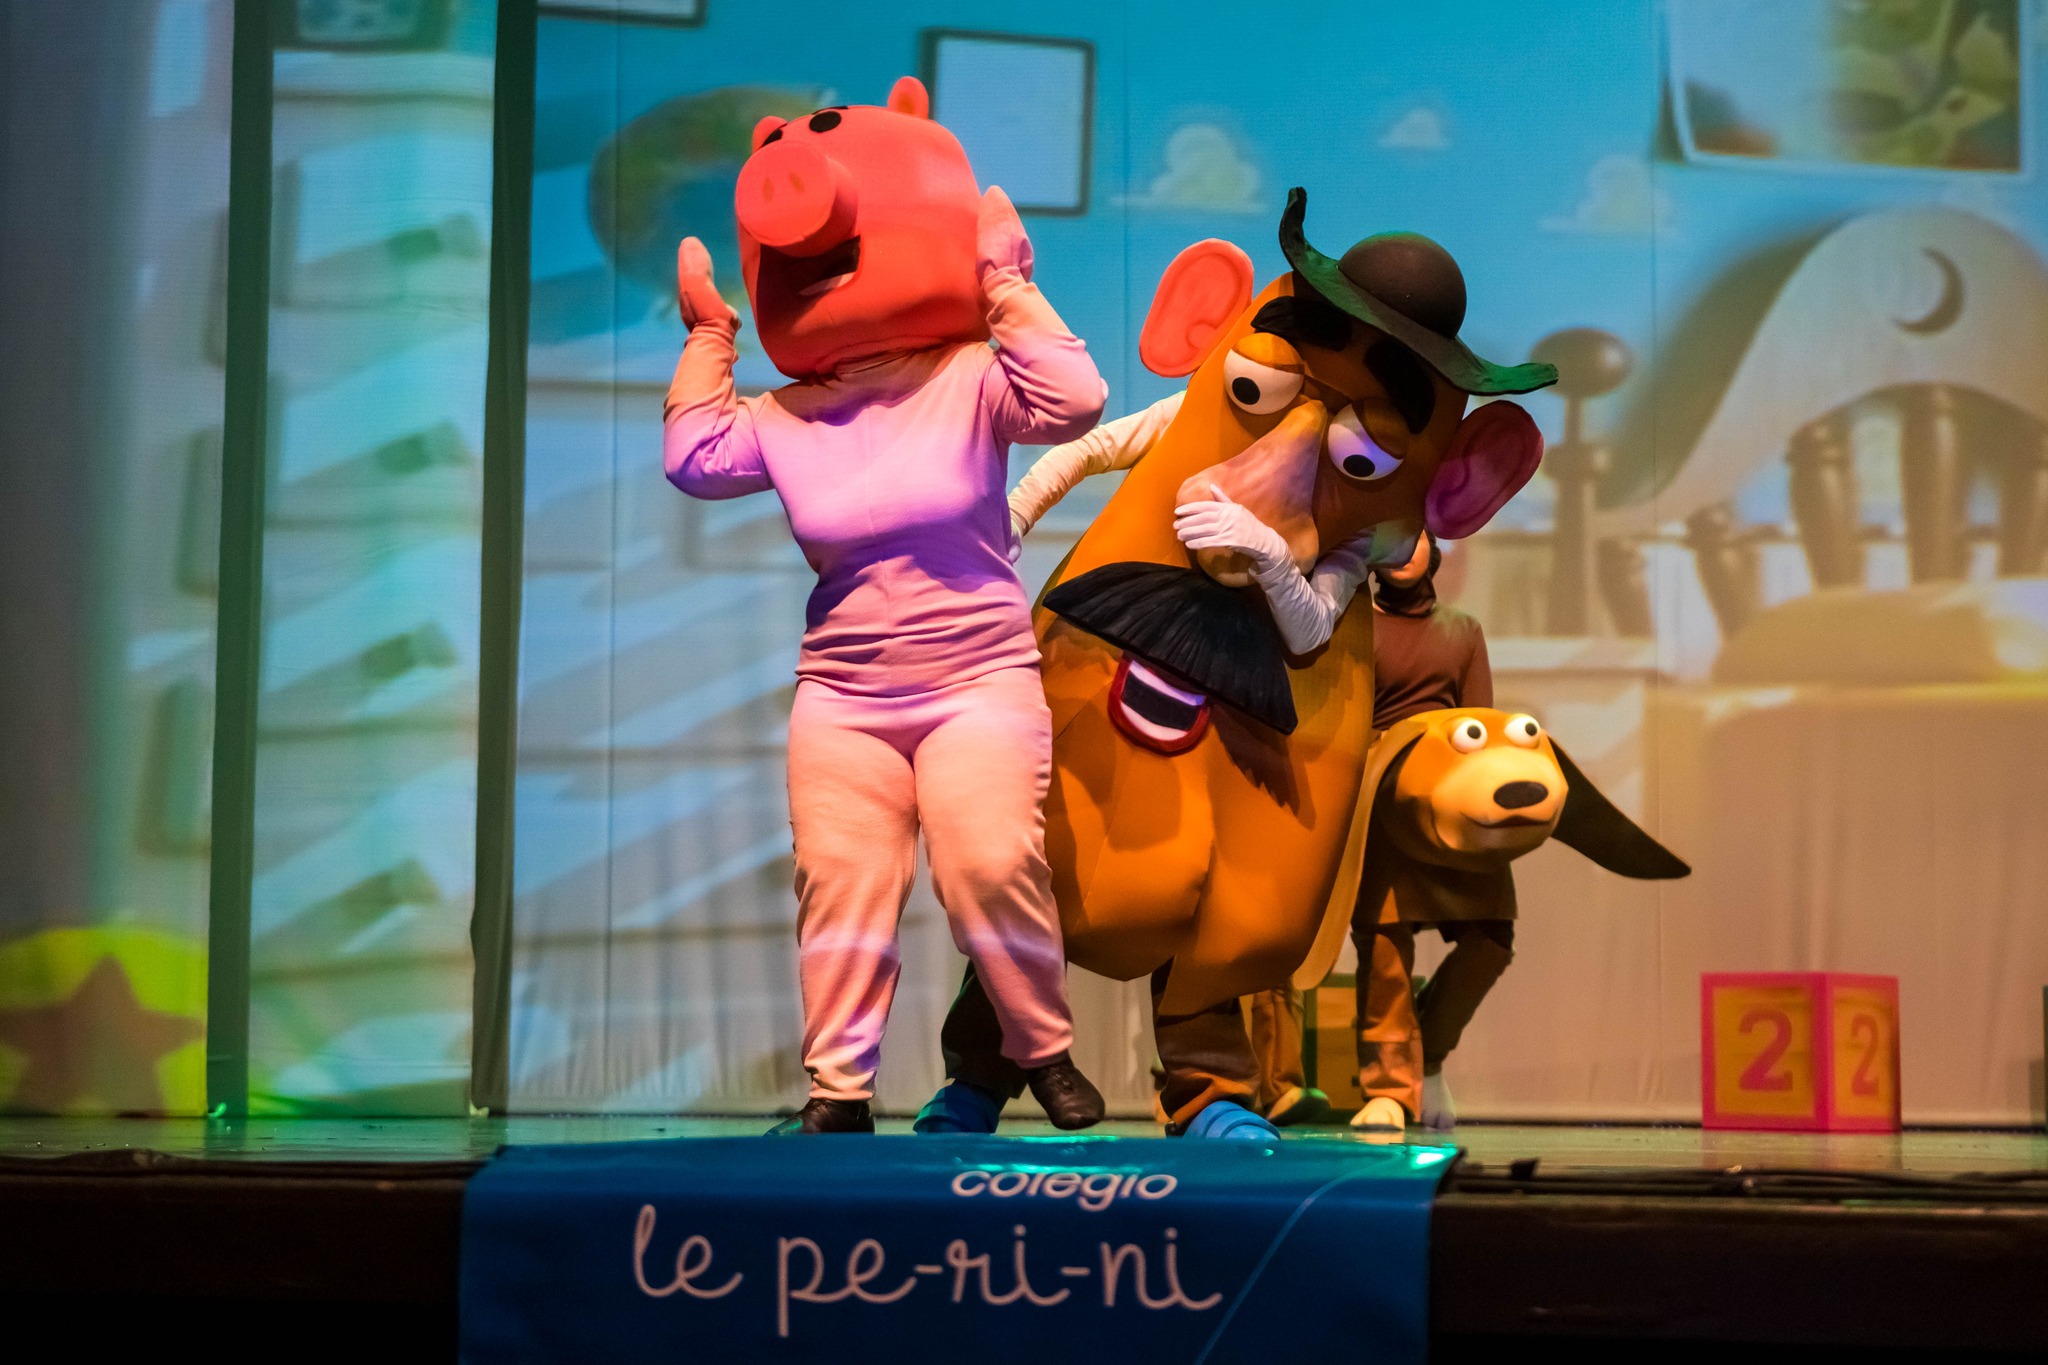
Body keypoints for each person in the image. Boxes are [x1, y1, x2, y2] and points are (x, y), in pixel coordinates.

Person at [1244, 530, 1508, 1131]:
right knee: (1386, 941)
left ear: (1435, 549)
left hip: (1449, 796)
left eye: (1415, 539)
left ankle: (1425, 1054)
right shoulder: (1349, 625)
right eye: (1392, 541)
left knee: (1492, 936)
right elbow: (1328, 711)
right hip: (1375, 795)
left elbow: (1481, 720)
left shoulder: (1462, 630)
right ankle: (1387, 1085)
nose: (1405, 553)